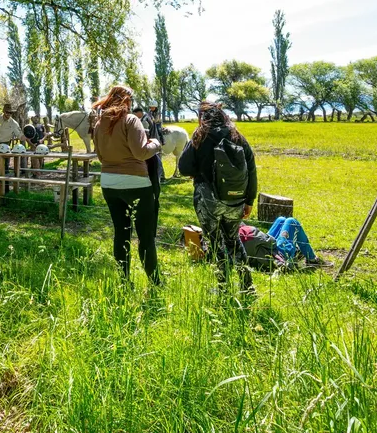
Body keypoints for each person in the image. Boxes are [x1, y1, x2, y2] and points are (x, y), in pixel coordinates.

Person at [178, 102, 257, 297]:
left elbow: (184, 167)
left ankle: (223, 288)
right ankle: (247, 286)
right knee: (233, 240)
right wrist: (250, 200)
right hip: (236, 200)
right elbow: (252, 169)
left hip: (208, 199)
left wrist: (199, 171)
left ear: (202, 118)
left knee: (214, 243)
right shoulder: (237, 136)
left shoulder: (199, 135)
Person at [92, 85, 163, 285]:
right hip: (136, 183)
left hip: (109, 184)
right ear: (127, 101)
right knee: (145, 235)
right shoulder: (131, 120)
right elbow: (141, 152)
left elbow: (100, 156)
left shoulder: (98, 125)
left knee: (121, 233)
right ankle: (155, 282)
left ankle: (124, 281)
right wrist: (156, 143)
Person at [0, 103, 21, 191]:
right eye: (7, 112)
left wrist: (28, 137)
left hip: (6, 146)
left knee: (5, 167)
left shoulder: (14, 123)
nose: (8, 114)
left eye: (10, 112)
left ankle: (5, 189)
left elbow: (20, 135)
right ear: (3, 111)